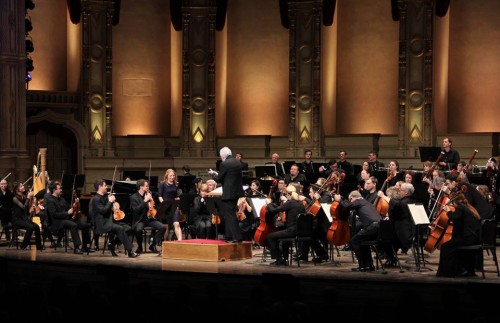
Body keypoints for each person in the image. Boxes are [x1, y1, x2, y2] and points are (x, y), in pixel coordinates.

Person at [436, 191, 481, 277]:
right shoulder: (468, 207)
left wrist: (448, 211)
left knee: (445, 247)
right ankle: (462, 270)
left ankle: (447, 272)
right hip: (473, 238)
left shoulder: (460, 208)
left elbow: (455, 219)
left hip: (466, 238)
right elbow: (460, 220)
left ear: (454, 201)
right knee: (452, 246)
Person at [333, 190, 381, 272]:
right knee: (363, 242)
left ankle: (362, 266)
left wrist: (339, 200)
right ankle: (369, 265)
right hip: (379, 226)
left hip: (373, 226)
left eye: (351, 200)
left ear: (352, 198)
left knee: (354, 241)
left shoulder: (358, 200)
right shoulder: (366, 202)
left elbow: (347, 205)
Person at [90, 179, 139, 258]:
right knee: (120, 228)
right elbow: (103, 211)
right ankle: (130, 251)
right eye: (105, 186)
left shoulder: (105, 197)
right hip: (102, 224)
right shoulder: (96, 199)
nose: (107, 187)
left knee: (129, 228)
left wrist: (112, 202)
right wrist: (110, 201)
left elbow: (111, 208)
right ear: (100, 187)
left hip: (109, 221)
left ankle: (113, 243)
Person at [265, 184, 308, 266]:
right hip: (300, 231)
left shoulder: (289, 203)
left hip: (292, 231)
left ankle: (278, 259)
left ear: (288, 194)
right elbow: (281, 208)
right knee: (283, 237)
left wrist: (269, 204)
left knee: (270, 236)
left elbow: (274, 210)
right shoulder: (300, 204)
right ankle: (284, 259)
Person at [209, 146, 245, 242]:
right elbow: (229, 176)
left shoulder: (224, 164)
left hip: (229, 194)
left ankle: (237, 237)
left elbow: (219, 179)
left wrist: (212, 174)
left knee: (230, 216)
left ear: (223, 156)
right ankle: (229, 236)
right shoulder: (237, 162)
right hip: (237, 192)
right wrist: (218, 173)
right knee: (230, 215)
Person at [45, 181, 89, 254]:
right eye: (59, 189)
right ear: (54, 190)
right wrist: (67, 213)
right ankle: (77, 247)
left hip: (65, 219)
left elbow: (70, 207)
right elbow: (54, 214)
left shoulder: (62, 199)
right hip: (56, 222)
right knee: (73, 225)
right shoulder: (50, 201)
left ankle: (85, 246)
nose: (61, 190)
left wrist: (76, 203)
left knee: (85, 225)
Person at [130, 179, 167, 253]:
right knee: (138, 230)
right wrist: (144, 201)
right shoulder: (133, 197)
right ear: (141, 187)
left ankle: (153, 245)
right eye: (146, 186)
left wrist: (151, 201)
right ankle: (140, 247)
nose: (148, 188)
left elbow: (152, 208)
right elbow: (136, 210)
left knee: (162, 227)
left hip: (149, 218)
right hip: (140, 219)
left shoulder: (148, 195)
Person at [11, 181, 43, 251]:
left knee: (36, 227)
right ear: (17, 189)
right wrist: (28, 198)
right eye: (21, 186)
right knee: (31, 227)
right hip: (17, 220)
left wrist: (32, 200)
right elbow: (23, 208)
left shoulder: (23, 196)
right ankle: (23, 246)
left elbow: (28, 207)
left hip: (24, 219)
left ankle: (39, 246)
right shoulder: (14, 198)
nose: (23, 187)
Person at [157, 168, 183, 241]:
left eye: (173, 176)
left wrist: (177, 199)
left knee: (177, 224)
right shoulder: (162, 184)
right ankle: (166, 243)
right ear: (167, 175)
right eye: (170, 175)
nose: (172, 177)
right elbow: (160, 196)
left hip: (174, 206)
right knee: (166, 226)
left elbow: (176, 196)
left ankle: (180, 242)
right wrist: (164, 204)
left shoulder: (176, 184)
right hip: (165, 206)